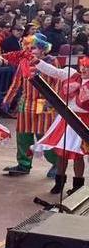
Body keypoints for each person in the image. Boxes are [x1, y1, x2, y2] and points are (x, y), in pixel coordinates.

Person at [34, 55, 89, 195]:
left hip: (83, 121)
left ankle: (78, 186)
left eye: (87, 68)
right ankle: (59, 183)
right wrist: (38, 62)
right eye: (83, 66)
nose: (84, 69)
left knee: (78, 154)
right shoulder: (72, 75)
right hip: (67, 119)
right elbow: (54, 71)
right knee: (62, 152)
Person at [3, 33, 57, 177]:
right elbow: (16, 82)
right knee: (23, 135)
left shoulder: (52, 62)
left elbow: (57, 82)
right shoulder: (24, 61)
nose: (30, 50)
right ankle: (23, 164)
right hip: (26, 102)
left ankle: (56, 164)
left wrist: (53, 102)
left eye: (33, 48)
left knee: (44, 135)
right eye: (28, 47)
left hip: (43, 103)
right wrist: (7, 100)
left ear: (43, 49)